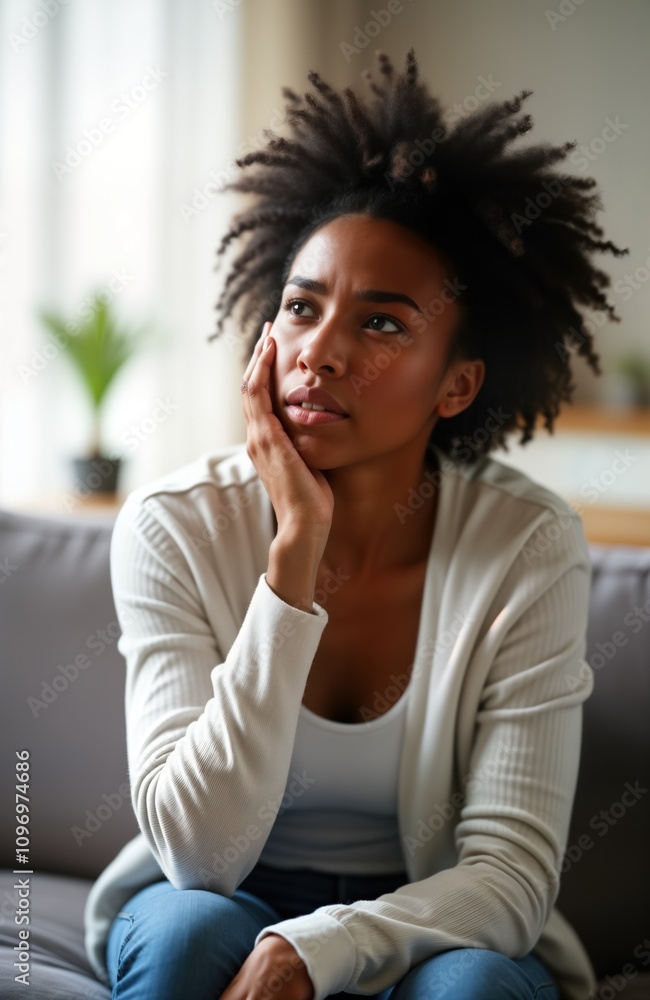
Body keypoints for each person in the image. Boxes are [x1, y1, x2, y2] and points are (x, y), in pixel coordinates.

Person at [83, 50, 627, 1000]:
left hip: (438, 914)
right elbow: (198, 857)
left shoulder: (528, 546)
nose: (320, 352)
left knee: (473, 990)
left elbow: (509, 878)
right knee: (183, 939)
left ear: (457, 384)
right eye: (301, 307)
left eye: (381, 324)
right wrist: (293, 556)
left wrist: (320, 947)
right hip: (222, 894)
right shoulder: (176, 526)